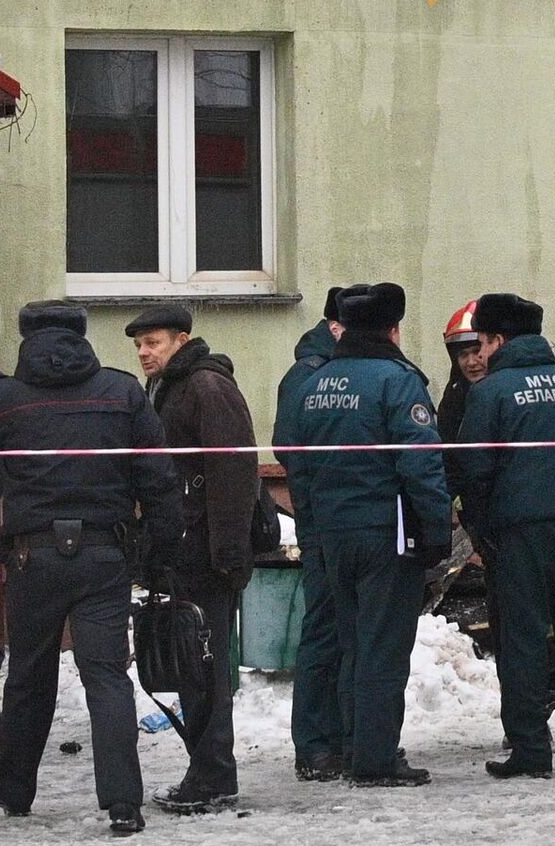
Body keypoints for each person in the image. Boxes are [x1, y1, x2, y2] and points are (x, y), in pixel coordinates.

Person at [0, 301, 180, 836]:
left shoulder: (2, 397)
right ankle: (124, 802)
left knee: (29, 676)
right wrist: (159, 548)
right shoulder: (122, 391)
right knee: (105, 676)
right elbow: (157, 478)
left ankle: (14, 792)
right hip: (104, 553)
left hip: (30, 556)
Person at [278, 282, 449, 786]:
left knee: (350, 644)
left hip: (331, 536)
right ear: (393, 330)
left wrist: (314, 525)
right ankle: (374, 759)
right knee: (383, 648)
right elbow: (421, 464)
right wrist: (435, 528)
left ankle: (352, 747)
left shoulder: (312, 384)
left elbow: (297, 467)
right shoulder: (398, 382)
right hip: (386, 535)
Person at [452, 293, 555, 780]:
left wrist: (484, 530)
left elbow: (472, 469)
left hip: (520, 531)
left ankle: (530, 750)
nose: (478, 354)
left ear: (499, 339)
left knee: (522, 637)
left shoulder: (490, 394)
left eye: (482, 342)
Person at [126, 301, 258, 814]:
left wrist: (228, 553)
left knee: (205, 669)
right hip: (183, 549)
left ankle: (214, 774)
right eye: (138, 344)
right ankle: (206, 770)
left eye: (152, 342)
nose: (143, 352)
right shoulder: (168, 388)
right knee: (191, 667)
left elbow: (233, 475)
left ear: (181, 339)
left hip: (207, 553)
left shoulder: (206, 387)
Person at [274, 287, 346, 781]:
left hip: (329, 518)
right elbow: (289, 446)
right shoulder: (309, 376)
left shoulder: (317, 371)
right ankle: (316, 743)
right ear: (338, 328)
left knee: (335, 630)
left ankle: (330, 739)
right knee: (324, 631)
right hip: (325, 523)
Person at [435, 300, 487, 446]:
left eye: (476, 352)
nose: (470, 362)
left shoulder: (506, 393)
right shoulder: (454, 394)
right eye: (463, 354)